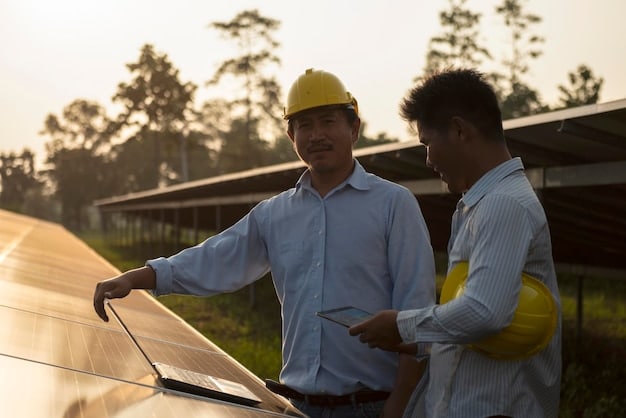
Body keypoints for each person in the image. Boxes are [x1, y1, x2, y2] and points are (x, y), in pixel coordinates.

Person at [93, 68, 436, 418]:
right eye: (304, 125)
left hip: (374, 406)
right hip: (294, 405)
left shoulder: (393, 204)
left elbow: (417, 312)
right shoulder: (275, 214)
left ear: (354, 128)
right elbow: (214, 258)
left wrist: (398, 406)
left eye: (328, 121)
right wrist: (136, 278)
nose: (316, 135)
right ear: (291, 136)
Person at [349, 68, 562, 418]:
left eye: (427, 143)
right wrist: (414, 338)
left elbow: (484, 313)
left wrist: (402, 324)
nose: (429, 160)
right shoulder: (476, 204)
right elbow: (471, 323)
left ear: (460, 130)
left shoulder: (503, 203)